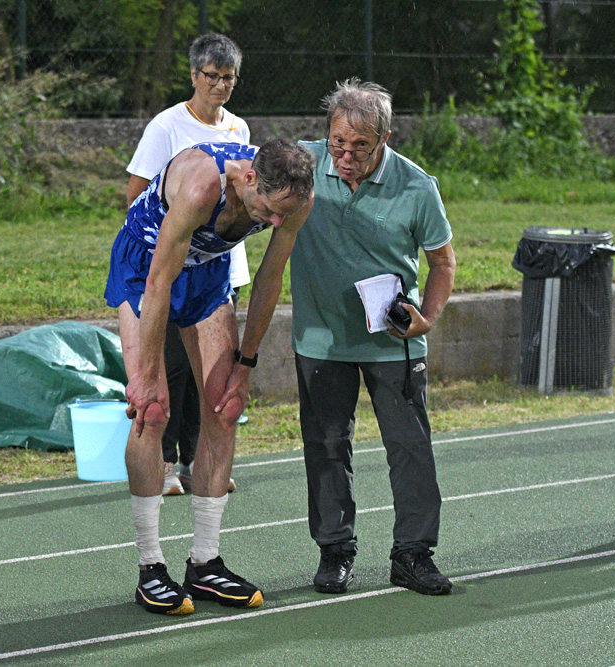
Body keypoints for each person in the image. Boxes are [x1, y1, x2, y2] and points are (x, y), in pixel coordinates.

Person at [105, 139, 315, 615]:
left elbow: (269, 279)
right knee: (153, 411)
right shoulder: (202, 185)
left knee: (225, 405)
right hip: (147, 267)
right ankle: (150, 567)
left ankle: (205, 562)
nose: (275, 222)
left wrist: (245, 367)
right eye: (269, 210)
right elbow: (160, 281)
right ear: (249, 180)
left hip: (206, 273)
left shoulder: (295, 198)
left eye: (285, 214)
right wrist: (148, 374)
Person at [292, 78, 457, 597]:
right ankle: (335, 551)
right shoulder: (302, 164)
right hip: (320, 339)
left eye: (359, 147)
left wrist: (426, 318)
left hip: (393, 341)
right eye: (337, 143)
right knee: (325, 446)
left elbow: (442, 262)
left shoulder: (417, 185)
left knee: (410, 448)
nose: (345, 155)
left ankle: (412, 555)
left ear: (384, 138)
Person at [125, 33, 248, 497]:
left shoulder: (239, 129)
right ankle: (168, 459)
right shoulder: (167, 127)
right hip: (174, 262)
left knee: (211, 371)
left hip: (220, 267)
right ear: (194, 75)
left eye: (228, 78)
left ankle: (200, 458)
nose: (219, 85)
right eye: (212, 77)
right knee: (171, 363)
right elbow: (137, 192)